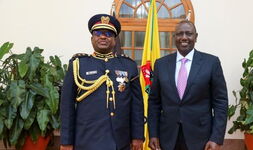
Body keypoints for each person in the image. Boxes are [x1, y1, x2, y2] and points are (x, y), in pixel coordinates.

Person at [60, 14, 144, 150]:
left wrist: (137, 137)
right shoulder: (78, 65)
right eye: (98, 33)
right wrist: (66, 141)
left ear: (115, 40)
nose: (103, 37)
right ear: (92, 38)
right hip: (87, 141)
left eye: (109, 34)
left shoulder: (128, 66)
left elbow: (137, 106)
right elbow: (67, 106)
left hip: (120, 142)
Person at [147, 20, 228, 150]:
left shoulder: (211, 63)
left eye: (189, 34)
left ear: (196, 37)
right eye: (179, 34)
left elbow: (220, 103)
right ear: (174, 37)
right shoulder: (161, 64)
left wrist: (216, 138)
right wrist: (153, 134)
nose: (184, 37)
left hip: (201, 138)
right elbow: (154, 102)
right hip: (168, 137)